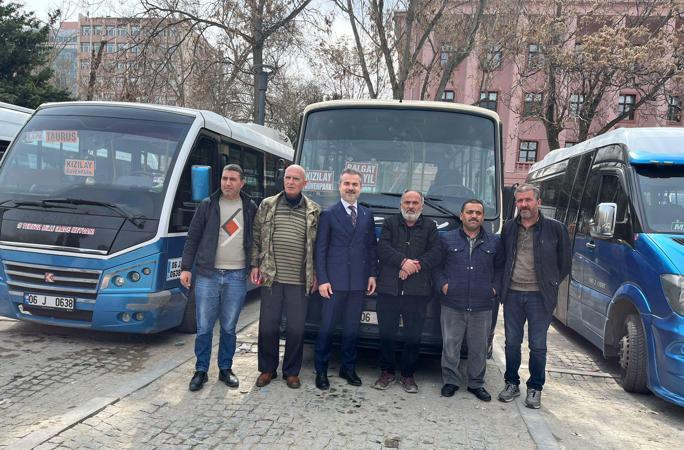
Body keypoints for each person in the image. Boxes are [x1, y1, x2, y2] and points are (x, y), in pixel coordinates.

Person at [180, 164, 257, 392]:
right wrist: (186, 268)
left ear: (242, 183)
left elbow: (255, 238)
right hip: (207, 275)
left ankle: (225, 369)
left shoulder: (250, 207)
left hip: (236, 276)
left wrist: (255, 265)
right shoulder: (208, 205)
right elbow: (192, 237)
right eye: (224, 178)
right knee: (204, 327)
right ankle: (201, 370)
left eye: (233, 179)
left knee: (229, 327)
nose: (227, 183)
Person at [497, 184, 571, 409]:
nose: (524, 205)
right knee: (511, 343)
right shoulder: (509, 227)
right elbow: (502, 259)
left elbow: (564, 263)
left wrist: (550, 284)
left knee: (538, 345)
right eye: (520, 201)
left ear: (538, 202)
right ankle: (511, 383)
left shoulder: (555, 229)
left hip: (540, 297)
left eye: (528, 200)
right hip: (513, 295)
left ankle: (535, 388)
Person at [250, 165, 320, 389]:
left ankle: (291, 372)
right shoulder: (268, 205)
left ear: (304, 183)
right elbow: (256, 237)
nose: (290, 182)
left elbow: (318, 246)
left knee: (296, 328)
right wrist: (255, 265)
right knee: (268, 325)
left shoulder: (314, 210)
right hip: (272, 277)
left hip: (300, 280)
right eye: (287, 178)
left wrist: (316, 273)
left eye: (295, 179)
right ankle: (267, 369)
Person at [314, 168, 377, 390]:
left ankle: (348, 367)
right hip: (334, 283)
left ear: (361, 188)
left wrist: (371, 274)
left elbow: (371, 248)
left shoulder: (367, 215)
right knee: (327, 328)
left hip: (358, 283)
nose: (351, 188)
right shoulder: (329, 215)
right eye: (347, 184)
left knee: (352, 328)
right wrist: (322, 279)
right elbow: (320, 250)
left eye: (355, 184)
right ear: (339, 187)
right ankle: (321, 370)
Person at [372, 190, 441, 393]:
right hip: (388, 290)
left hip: (417, 293)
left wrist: (414, 266)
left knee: (413, 336)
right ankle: (387, 372)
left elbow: (436, 253)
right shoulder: (389, 223)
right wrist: (402, 262)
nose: (411, 206)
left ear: (422, 206)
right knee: (386, 334)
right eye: (407, 202)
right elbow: (382, 248)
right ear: (401, 204)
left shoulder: (430, 227)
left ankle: (408, 375)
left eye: (415, 203)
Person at [434, 199, 503, 401]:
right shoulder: (447, 239)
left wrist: (493, 289)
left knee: (479, 347)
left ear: (483, 217)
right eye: (470, 212)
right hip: (452, 303)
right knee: (451, 345)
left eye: (478, 213)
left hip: (482, 305)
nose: (474, 216)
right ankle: (450, 382)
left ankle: (476, 384)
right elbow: (436, 268)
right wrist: (444, 286)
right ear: (461, 215)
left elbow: (500, 269)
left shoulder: (494, 242)